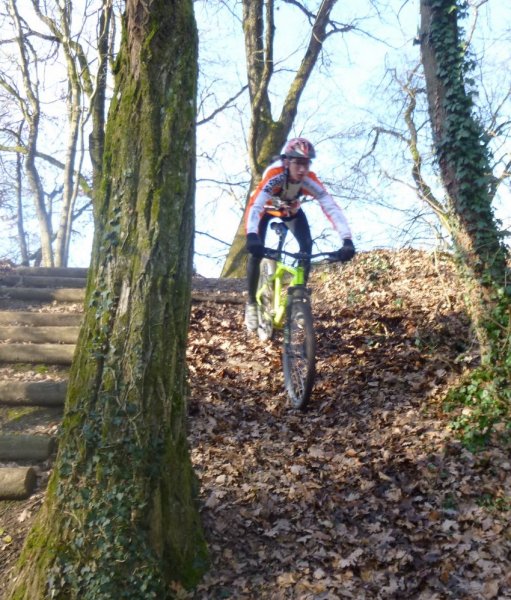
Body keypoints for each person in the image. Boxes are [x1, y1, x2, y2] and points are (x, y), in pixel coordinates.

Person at [244, 137, 355, 332]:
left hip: (290, 211)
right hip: (265, 211)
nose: (302, 169)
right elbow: (256, 204)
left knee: (306, 247)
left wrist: (346, 239)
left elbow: (331, 206)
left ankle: (299, 297)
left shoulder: (309, 180)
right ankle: (251, 303)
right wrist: (252, 235)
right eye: (298, 163)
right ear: (287, 161)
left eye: (306, 163)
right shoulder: (275, 174)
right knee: (255, 253)